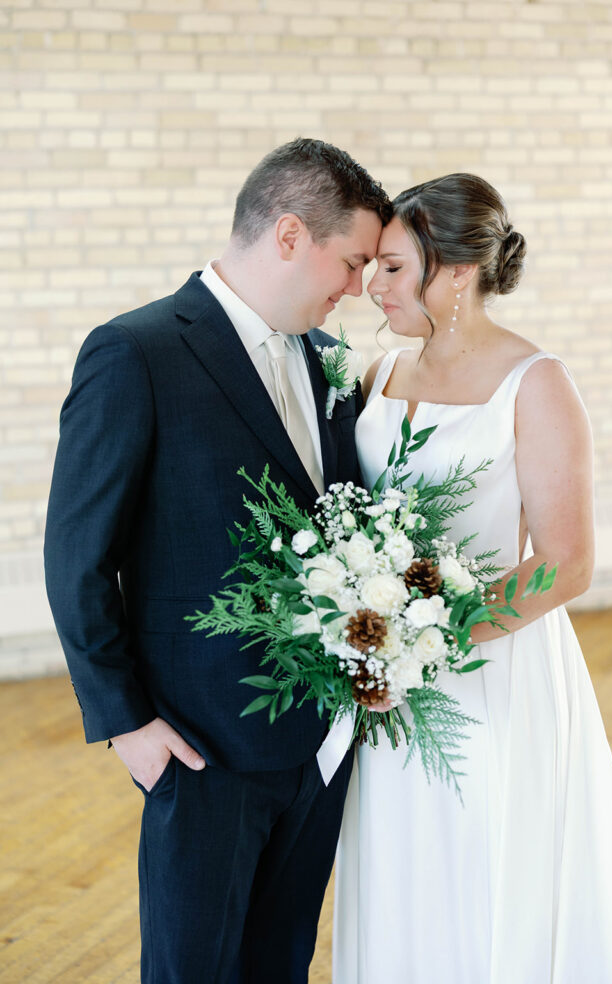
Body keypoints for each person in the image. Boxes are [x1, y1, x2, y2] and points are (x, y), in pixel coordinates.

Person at [44, 138, 391, 984]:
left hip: (319, 741)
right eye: (349, 263)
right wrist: (128, 726)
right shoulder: (137, 352)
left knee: (280, 963)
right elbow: (77, 555)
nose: (356, 290)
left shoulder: (320, 362)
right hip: (198, 747)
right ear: (287, 235)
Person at [333, 173, 612, 982]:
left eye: (391, 266)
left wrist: (422, 644)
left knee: (491, 853)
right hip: (386, 683)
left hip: (494, 669)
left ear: (455, 271)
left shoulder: (538, 384)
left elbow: (566, 565)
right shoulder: (377, 377)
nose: (369, 285)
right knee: (402, 856)